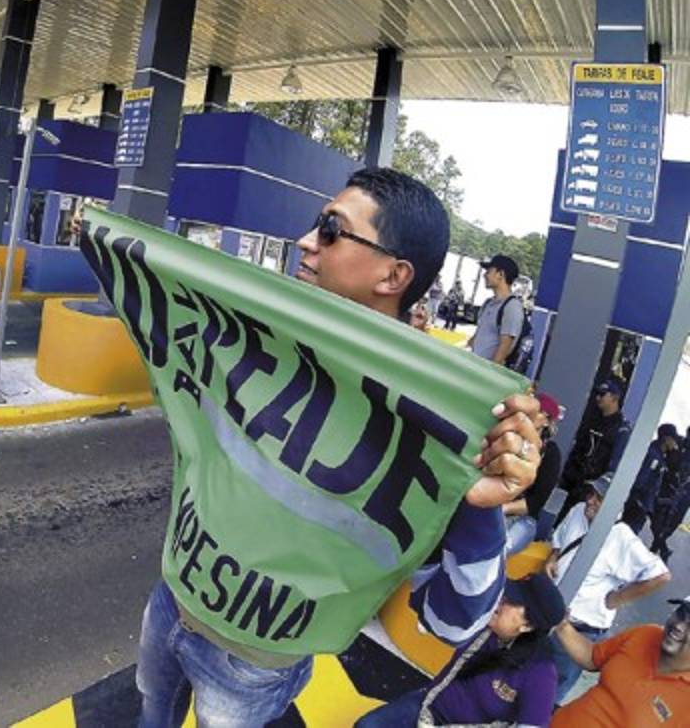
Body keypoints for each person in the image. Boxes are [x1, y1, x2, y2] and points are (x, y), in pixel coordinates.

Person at [135, 168, 543, 727]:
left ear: (394, 274)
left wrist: (480, 506)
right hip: (170, 599)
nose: (306, 240)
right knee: (151, 712)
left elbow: (456, 621)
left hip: (251, 665)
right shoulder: (261, 333)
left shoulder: (439, 422)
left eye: (331, 229)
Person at [355, 574, 565, 727]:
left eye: (512, 601)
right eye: (505, 594)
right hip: (428, 705)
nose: (501, 600)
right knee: (367, 726)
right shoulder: (484, 623)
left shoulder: (541, 672)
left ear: (527, 626)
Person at [546, 474, 672, 701]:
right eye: (591, 494)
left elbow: (660, 575)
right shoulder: (578, 511)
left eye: (600, 498)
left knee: (552, 689)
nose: (591, 501)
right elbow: (560, 540)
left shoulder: (621, 537)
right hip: (550, 614)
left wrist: (616, 598)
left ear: (614, 505)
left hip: (579, 629)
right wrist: (553, 558)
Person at [552, 596, 690, 726]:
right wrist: (562, 625)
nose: (679, 626)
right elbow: (592, 657)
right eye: (680, 614)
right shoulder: (646, 634)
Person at [559, 377, 630, 520]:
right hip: (573, 483)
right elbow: (579, 447)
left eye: (602, 394)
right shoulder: (593, 419)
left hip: (590, 493)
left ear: (615, 397)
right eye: (597, 393)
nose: (598, 398)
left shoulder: (621, 431)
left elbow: (613, 469)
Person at [505, 392, 564, 556]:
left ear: (546, 420)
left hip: (521, 518)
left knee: (500, 548)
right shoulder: (509, 436)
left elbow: (535, 502)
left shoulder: (550, 453)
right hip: (489, 503)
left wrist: (501, 509)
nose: (528, 415)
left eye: (536, 412)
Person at [621, 424, 681, 536]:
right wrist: (640, 503)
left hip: (642, 503)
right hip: (638, 505)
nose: (675, 443)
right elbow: (641, 480)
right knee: (627, 535)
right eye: (673, 439)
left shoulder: (659, 454)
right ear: (666, 438)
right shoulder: (654, 456)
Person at [468, 254, 525, 364]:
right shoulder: (488, 303)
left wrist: (489, 374)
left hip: (483, 375)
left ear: (501, 274)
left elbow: (504, 348)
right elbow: (477, 337)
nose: (485, 275)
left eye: (489, 271)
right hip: (473, 367)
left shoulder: (512, 307)